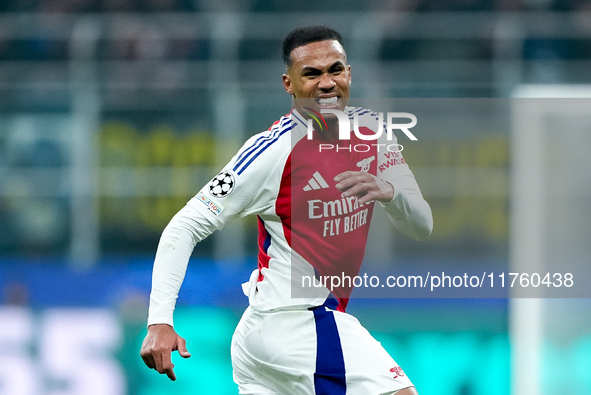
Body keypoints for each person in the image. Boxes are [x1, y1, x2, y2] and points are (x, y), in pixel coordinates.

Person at [140, 25, 432, 395]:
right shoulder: (273, 152)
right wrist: (159, 321)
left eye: (335, 70)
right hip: (296, 321)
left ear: (349, 74)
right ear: (288, 84)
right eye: (311, 74)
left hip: (269, 335)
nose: (326, 83)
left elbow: (422, 225)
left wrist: (390, 193)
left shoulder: (374, 133)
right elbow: (186, 225)